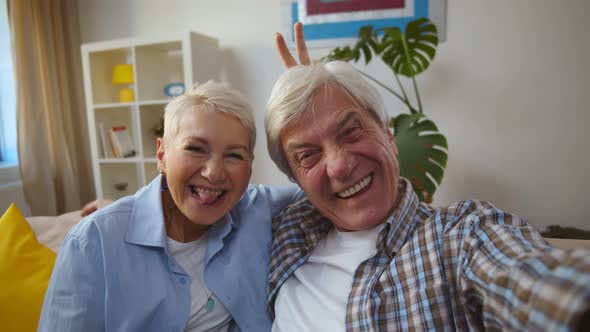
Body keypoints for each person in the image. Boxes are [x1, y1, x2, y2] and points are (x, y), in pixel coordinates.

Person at [264, 23, 590, 331]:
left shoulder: (462, 236)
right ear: (295, 179)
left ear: (389, 134)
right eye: (308, 155)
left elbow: (535, 283)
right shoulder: (281, 229)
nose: (339, 166)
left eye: (350, 132)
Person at [38, 81, 303, 331]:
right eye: (196, 149)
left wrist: (309, 104)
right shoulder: (94, 242)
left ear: (250, 165)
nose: (214, 173)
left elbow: (324, 184)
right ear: (162, 155)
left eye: (234, 155)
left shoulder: (256, 208)